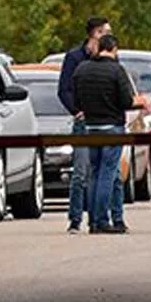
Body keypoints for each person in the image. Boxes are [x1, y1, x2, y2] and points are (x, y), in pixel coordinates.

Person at [70, 34, 147, 234]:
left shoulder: (82, 70)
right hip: (112, 127)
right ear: (113, 49)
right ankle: (103, 219)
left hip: (90, 126)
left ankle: (93, 221)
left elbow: (76, 99)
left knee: (94, 173)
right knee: (108, 173)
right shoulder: (116, 70)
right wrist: (139, 102)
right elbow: (125, 101)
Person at [56, 17, 112, 234]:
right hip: (84, 121)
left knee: (104, 173)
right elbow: (64, 90)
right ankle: (75, 219)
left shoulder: (107, 58)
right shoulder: (74, 58)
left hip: (103, 120)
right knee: (81, 172)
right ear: (95, 34)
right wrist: (76, 111)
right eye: (105, 32)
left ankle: (99, 218)